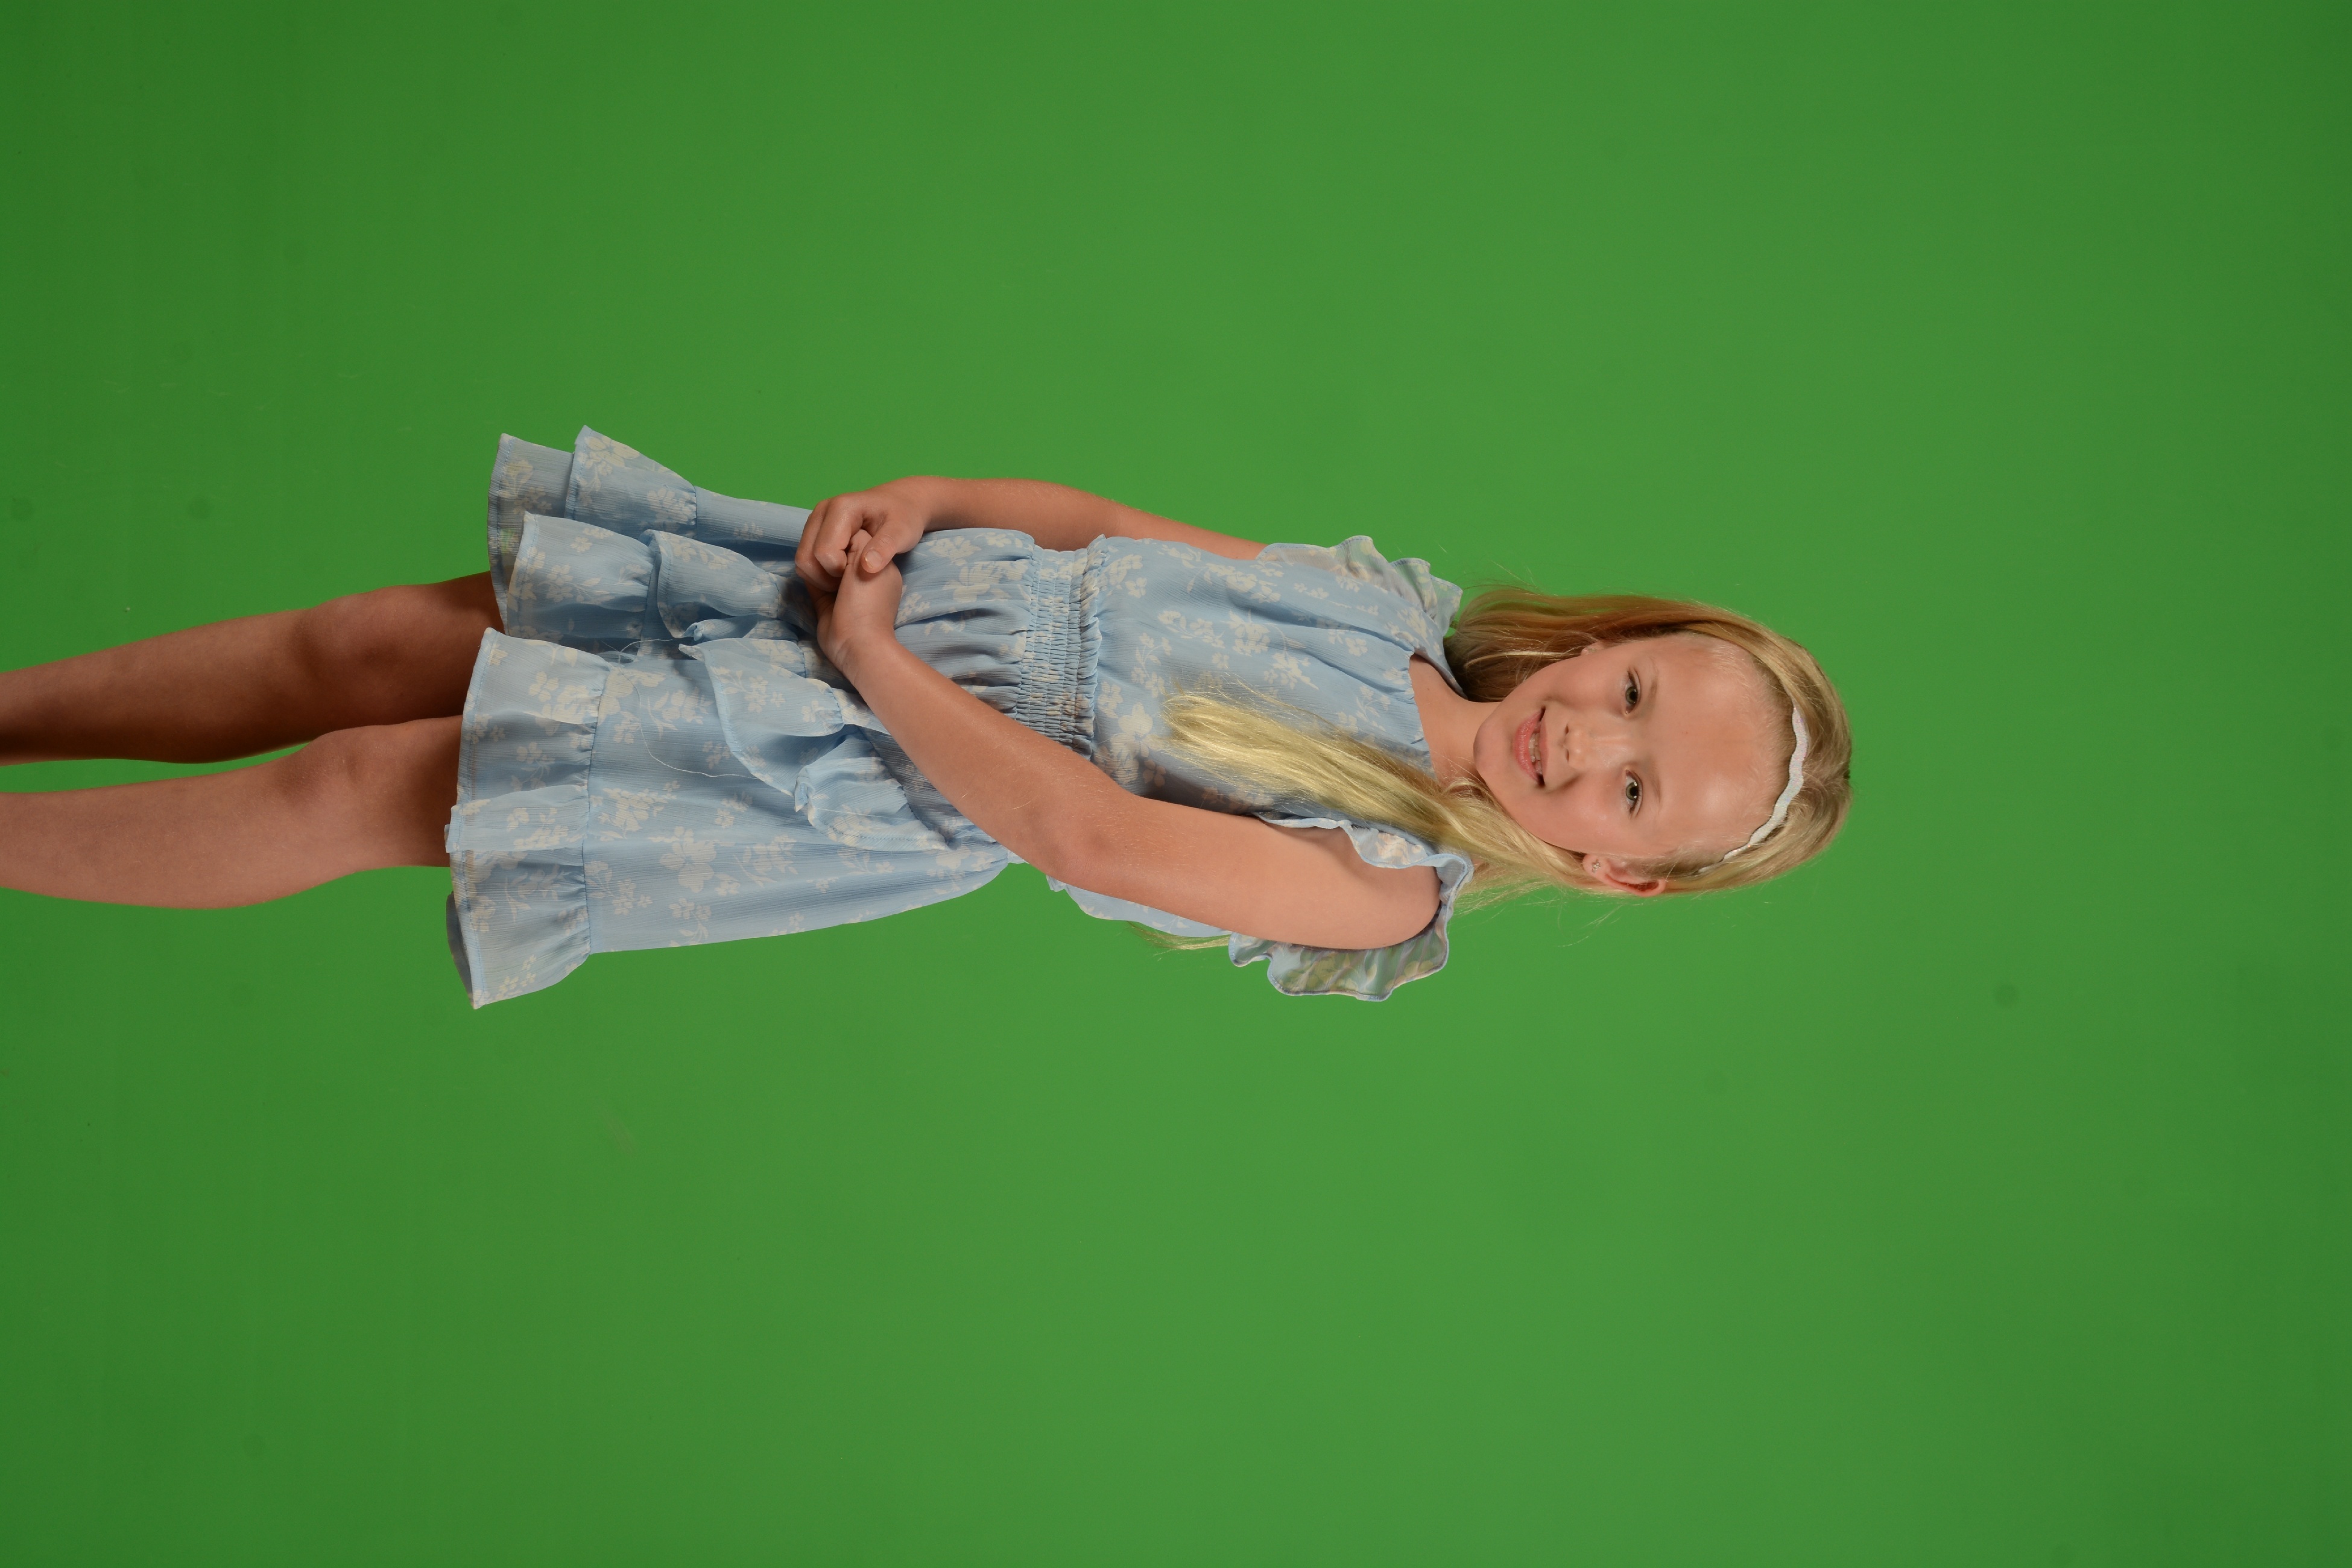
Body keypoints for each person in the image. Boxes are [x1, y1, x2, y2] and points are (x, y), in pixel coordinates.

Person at [0, 429, 1853, 1005]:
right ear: (1609, 638)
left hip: (839, 752)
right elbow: (1109, 531)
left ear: (1619, 873)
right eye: (1627, 689)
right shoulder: (1383, 608)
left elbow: (1081, 831)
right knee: (363, 648)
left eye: (1634, 789)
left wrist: (879, 665)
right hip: (837, 601)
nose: (1583, 741)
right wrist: (931, 500)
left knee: (359, 784)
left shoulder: (1377, 883)